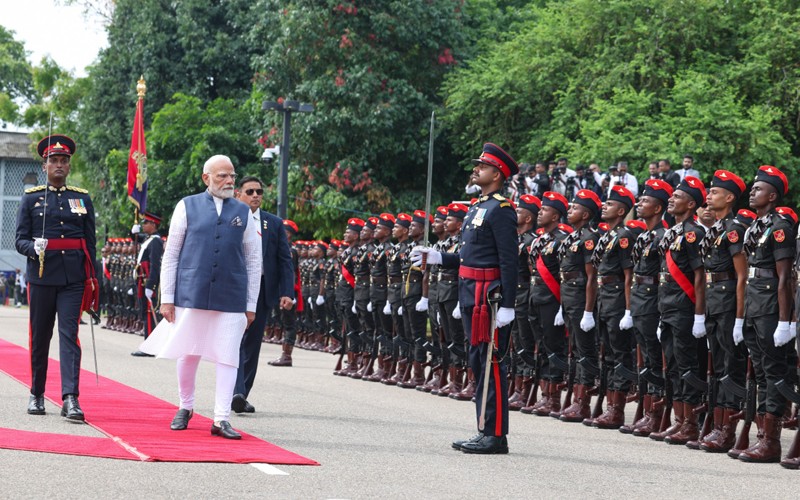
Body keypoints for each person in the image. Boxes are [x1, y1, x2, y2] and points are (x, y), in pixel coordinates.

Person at [413, 143, 519, 454]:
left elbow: (509, 261)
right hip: (471, 294)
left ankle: (495, 435)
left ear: (496, 175)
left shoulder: (501, 210)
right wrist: (439, 258)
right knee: (477, 361)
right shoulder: (476, 207)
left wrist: (508, 305)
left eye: (482, 166)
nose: (476, 170)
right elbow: (467, 257)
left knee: (491, 364)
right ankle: (484, 429)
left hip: (490, 299)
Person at [149, 154, 261, 440]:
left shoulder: (243, 211)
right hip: (192, 292)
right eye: (222, 175)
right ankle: (185, 406)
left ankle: (221, 418)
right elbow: (171, 254)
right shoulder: (186, 206)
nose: (229, 181)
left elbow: (253, 260)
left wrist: (251, 305)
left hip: (232, 294)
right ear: (206, 178)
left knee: (228, 356)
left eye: (232, 175)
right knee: (189, 352)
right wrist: (167, 298)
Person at [15, 134, 97, 421]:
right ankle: (37, 393)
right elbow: (19, 240)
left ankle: (70, 397)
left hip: (73, 278)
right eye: (54, 161)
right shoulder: (31, 199)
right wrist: (33, 248)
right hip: (41, 275)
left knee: (69, 336)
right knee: (40, 336)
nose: (59, 165)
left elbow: (90, 243)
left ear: (69, 166)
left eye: (63, 160)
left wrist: (92, 279)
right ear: (44, 165)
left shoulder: (82, 198)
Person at [737, 166, 795, 462]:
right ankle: (761, 435)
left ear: (772, 196)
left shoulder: (780, 227)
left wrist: (785, 322)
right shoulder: (756, 227)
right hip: (754, 305)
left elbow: (786, 278)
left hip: (771, 307)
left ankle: (771, 441)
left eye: (758, 189)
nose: (752, 192)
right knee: (760, 372)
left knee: (773, 372)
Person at [230, 176, 294, 414]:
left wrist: (286, 292)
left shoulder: (273, 223)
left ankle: (241, 394)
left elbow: (284, 260)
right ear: (238, 194)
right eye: (250, 191)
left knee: (252, 344)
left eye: (259, 191)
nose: (255, 195)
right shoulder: (229, 218)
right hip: (235, 288)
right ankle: (234, 391)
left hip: (262, 289)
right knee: (234, 340)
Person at [697, 170, 748, 453]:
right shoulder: (715, 230)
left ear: (729, 198)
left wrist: (740, 318)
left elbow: (742, 276)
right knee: (717, 365)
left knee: (730, 365)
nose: (709, 195)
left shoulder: (734, 229)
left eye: (715, 192)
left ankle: (728, 429)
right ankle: (717, 424)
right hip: (714, 302)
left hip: (728, 303)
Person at [130, 211, 164, 356]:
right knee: (145, 313)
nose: (143, 225)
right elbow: (137, 239)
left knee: (150, 313)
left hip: (148, 282)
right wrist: (133, 232)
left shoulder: (156, 241)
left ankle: (150, 348)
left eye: (146, 223)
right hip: (142, 281)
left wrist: (151, 285)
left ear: (153, 225)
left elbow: (155, 265)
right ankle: (148, 345)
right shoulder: (149, 239)